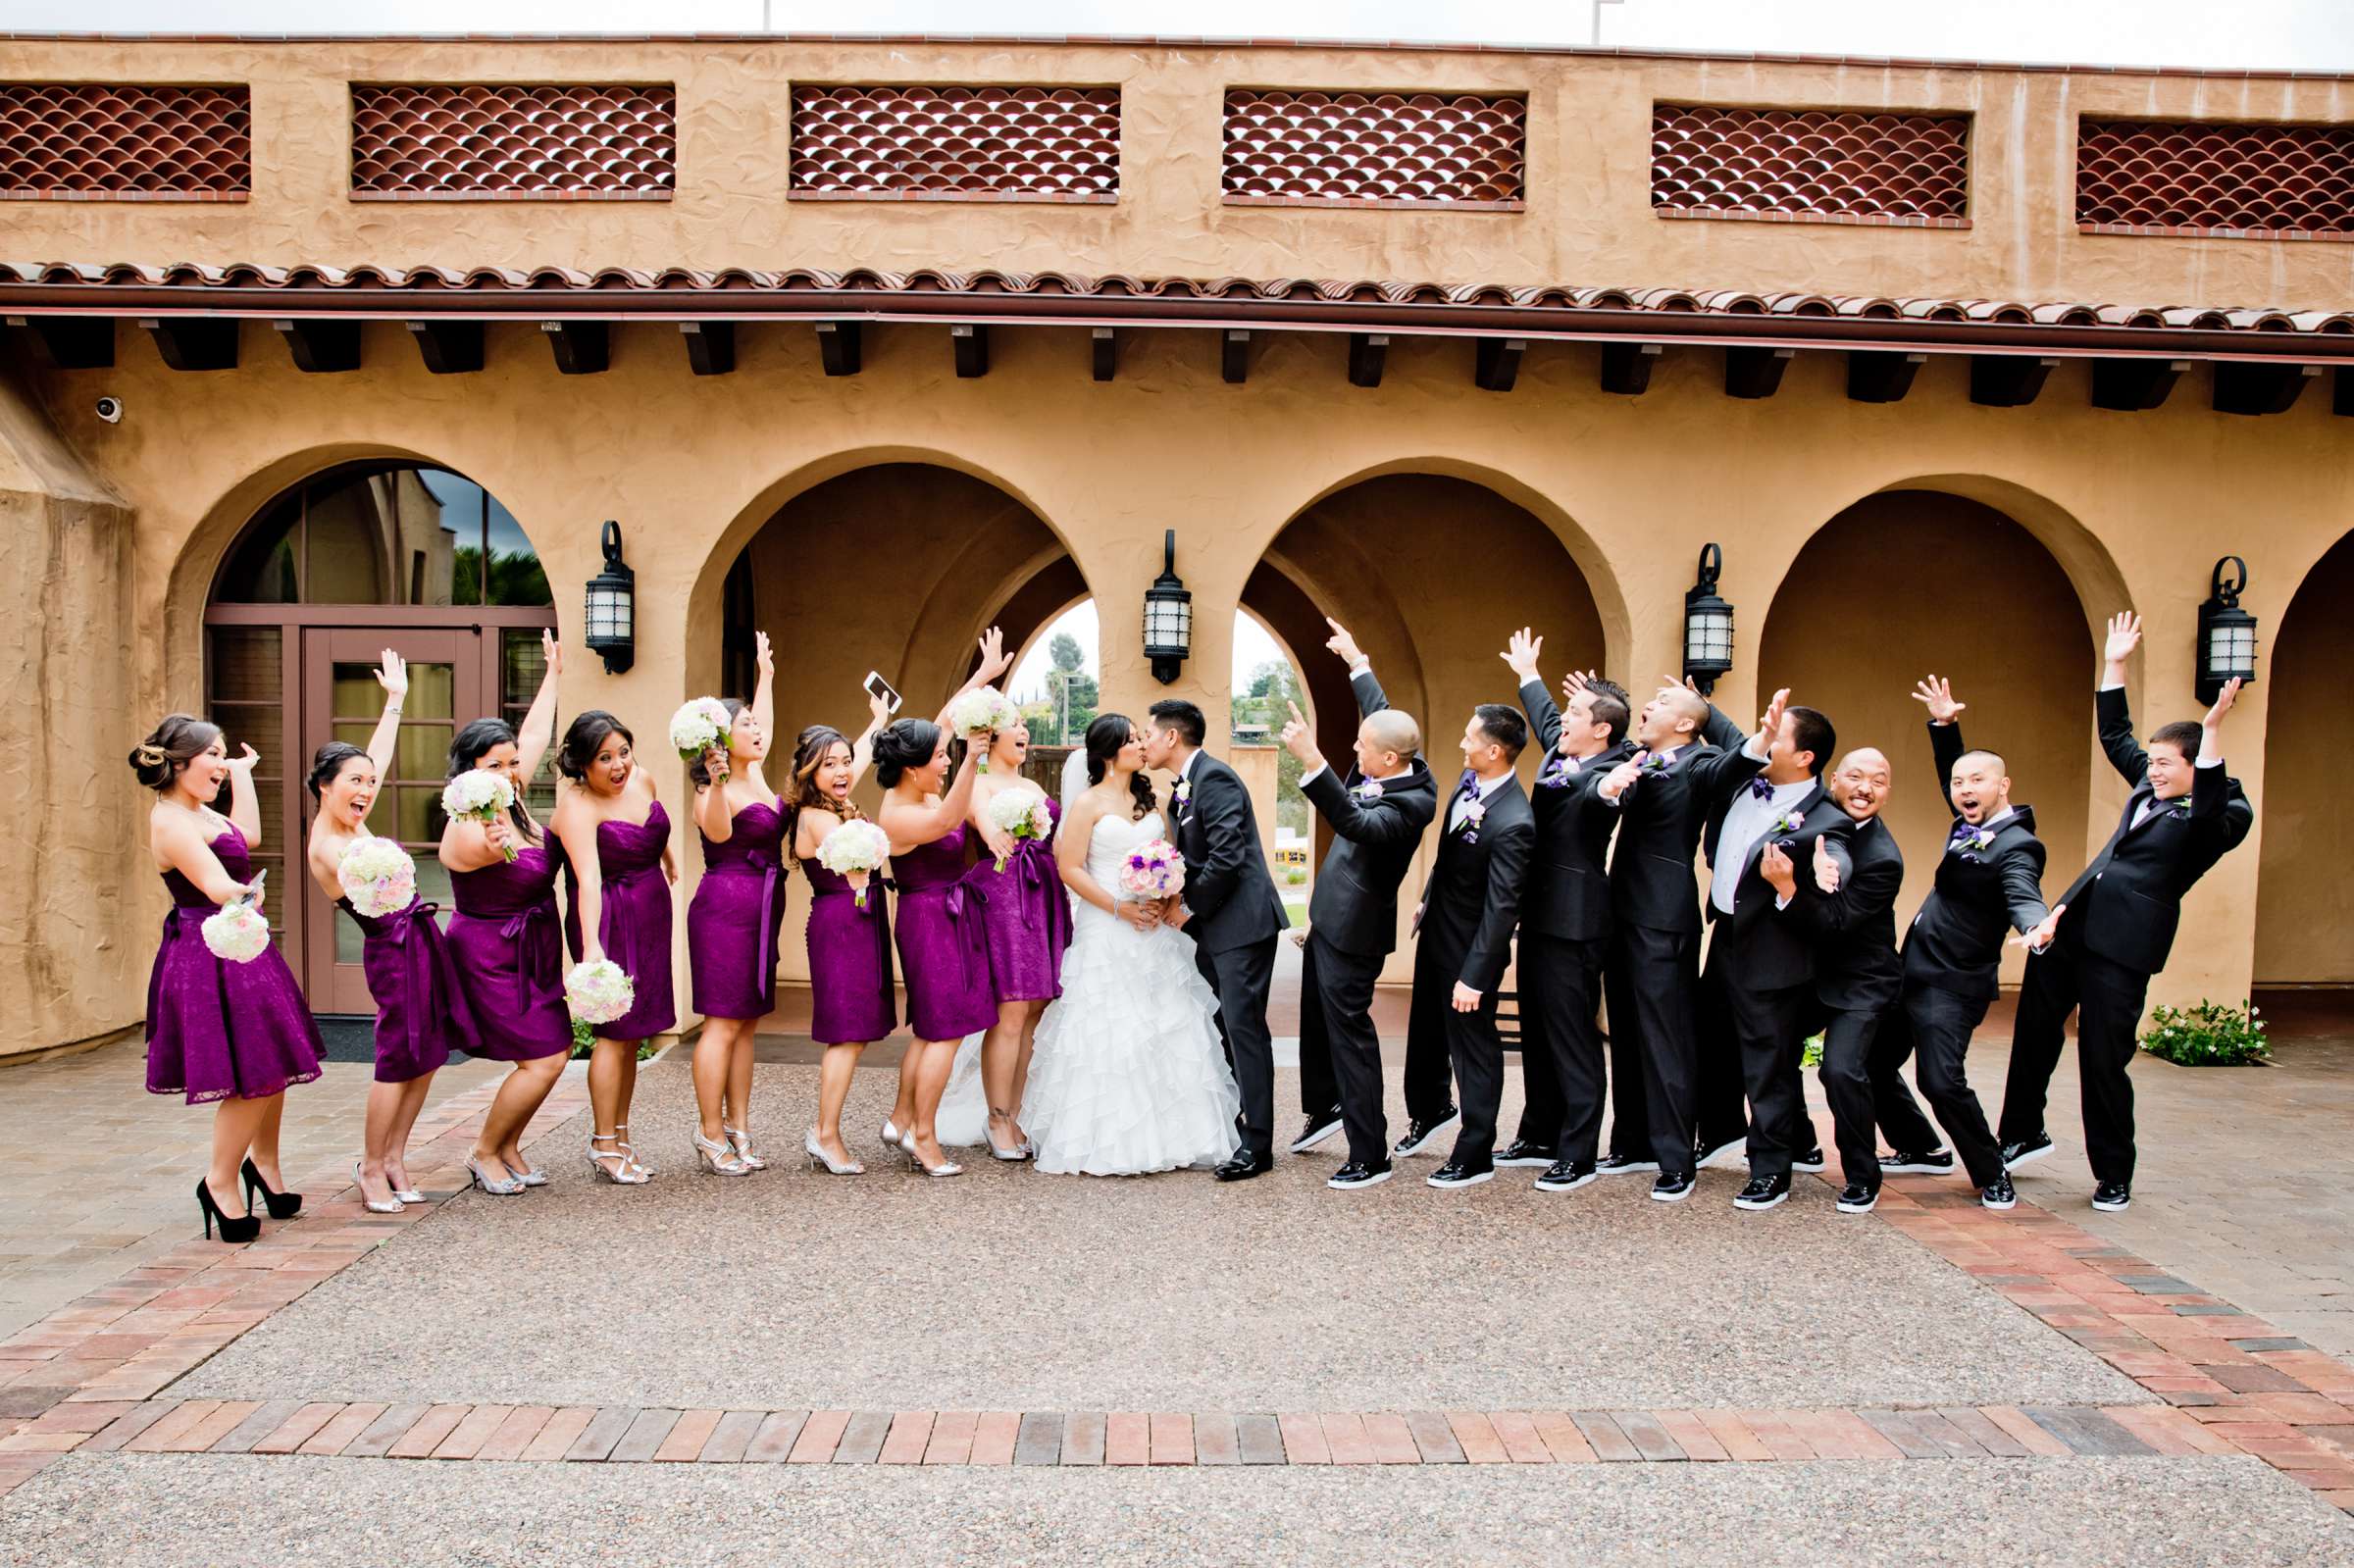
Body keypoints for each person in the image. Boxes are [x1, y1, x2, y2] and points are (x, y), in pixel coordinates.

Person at [1997, 613, 2254, 1213]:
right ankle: (2019, 1134)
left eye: (2166, 764)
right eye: (2154, 762)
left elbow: (2211, 810)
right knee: (2033, 1034)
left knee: (2102, 1058)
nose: (2153, 770)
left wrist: (2213, 730)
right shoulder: (2152, 785)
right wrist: (2115, 666)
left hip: (2124, 946)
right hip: (2070, 924)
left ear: (2196, 764)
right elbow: (2117, 737)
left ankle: (2113, 1173)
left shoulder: (2225, 809)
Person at [1019, 713, 1243, 1175]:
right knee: (1110, 1029)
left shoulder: (1152, 798)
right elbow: (1070, 868)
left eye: (1142, 737)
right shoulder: (1088, 804)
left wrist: (1168, 895)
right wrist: (1118, 908)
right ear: (1106, 752)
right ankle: (1109, 1139)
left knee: (1166, 1024)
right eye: (1131, 740)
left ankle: (1175, 1134)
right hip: (1109, 925)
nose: (1141, 745)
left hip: (1154, 927)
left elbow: (1171, 857)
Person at [133, 714, 324, 1242]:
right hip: (208, 952)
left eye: (222, 754)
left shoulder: (199, 812)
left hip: (241, 945)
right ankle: (218, 1181)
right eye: (212, 756)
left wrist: (242, 774)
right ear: (178, 764)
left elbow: (250, 837)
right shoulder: (170, 820)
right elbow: (219, 886)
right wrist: (248, 892)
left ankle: (263, 1166)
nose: (219, 764)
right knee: (252, 1071)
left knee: (273, 1059)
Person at [303, 651, 477, 1213]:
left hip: (421, 940)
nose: (366, 790)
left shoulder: (353, 819)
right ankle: (371, 1166)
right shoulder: (328, 845)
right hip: (390, 951)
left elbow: (372, 758)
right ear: (324, 787)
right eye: (354, 783)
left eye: (371, 783)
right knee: (396, 1059)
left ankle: (399, 1155)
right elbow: (372, 898)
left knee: (428, 1055)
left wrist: (396, 702)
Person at [1278, 622, 1439, 1191]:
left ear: (1389, 759)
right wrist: (1357, 661)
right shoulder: (1395, 759)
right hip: (1329, 919)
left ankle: (1370, 1154)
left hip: (1357, 932)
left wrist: (1313, 761)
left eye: (1361, 749)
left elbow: (1353, 821)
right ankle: (1325, 1109)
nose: (1354, 750)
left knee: (1350, 1036)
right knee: (1318, 1026)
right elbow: (1381, 715)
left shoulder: (1412, 803)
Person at [1594, 683, 1763, 1201]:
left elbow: (1739, 763)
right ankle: (1634, 1141)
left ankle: (1675, 1157)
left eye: (1662, 705)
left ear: (1688, 724)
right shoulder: (1639, 758)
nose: (1648, 708)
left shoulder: (1700, 762)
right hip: (1619, 910)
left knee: (1666, 1037)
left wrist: (1762, 737)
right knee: (1623, 1027)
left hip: (1663, 917)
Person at [1893, 674, 2050, 1211]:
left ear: (2003, 786)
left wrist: (2034, 925)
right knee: (1858, 1062)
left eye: (1976, 781)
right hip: (1909, 969)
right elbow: (1952, 776)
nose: (1964, 790)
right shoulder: (1968, 821)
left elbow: (2021, 893)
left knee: (1940, 1081)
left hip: (1951, 982)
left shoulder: (2017, 846)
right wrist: (1945, 726)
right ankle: (1918, 1145)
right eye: (1959, 783)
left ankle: (1991, 1169)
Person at [1694, 693, 1847, 1212]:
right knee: (1712, 1041)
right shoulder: (1749, 772)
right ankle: (1722, 1132)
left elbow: (1838, 855)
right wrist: (1700, 702)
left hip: (1773, 951)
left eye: (1778, 735)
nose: (1765, 740)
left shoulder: (1824, 818)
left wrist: (1823, 876)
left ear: (1804, 757)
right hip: (1726, 936)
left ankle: (1771, 1168)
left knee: (1768, 1062)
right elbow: (1731, 736)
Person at [873, 632, 1018, 1177]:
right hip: (931, 919)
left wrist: (982, 677)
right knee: (946, 1029)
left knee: (932, 1027)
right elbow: (947, 822)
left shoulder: (917, 784)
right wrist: (972, 763)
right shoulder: (903, 813)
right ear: (914, 768)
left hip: (949, 913)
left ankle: (901, 1117)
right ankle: (925, 1137)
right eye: (937, 758)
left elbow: (945, 722)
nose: (944, 759)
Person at [1500, 635, 1633, 1190]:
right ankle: (1539, 1132)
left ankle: (1577, 1152)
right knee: (1537, 1026)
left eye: (1578, 712)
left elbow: (1603, 790)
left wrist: (1605, 786)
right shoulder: (1562, 754)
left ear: (1602, 729)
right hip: (1538, 913)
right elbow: (1549, 726)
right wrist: (1529, 674)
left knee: (1572, 1033)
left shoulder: (1616, 765)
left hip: (1576, 919)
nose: (1566, 718)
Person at [439, 632, 570, 1197]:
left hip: (534, 946)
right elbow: (482, 853)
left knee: (553, 1050)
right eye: (497, 764)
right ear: (470, 770)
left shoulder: (509, 799)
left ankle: (510, 1144)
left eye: (514, 763)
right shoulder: (467, 824)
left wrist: (554, 674)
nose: (512, 772)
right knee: (543, 1056)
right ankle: (483, 1150)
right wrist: (495, 840)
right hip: (491, 953)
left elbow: (536, 733)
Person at [1142, 696, 1291, 1182]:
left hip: (1242, 926)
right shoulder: (1186, 786)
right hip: (1217, 927)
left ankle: (1259, 1145)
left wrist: (1187, 905)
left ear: (1171, 736)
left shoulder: (1216, 778)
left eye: (1149, 733)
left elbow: (1228, 857)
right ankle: (1235, 1125)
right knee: (1225, 1026)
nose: (1144, 741)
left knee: (1244, 1029)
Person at [1778, 746, 1924, 1215]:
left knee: (1841, 1070)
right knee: (1769, 1045)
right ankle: (1801, 1145)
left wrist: (1787, 888)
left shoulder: (1883, 858)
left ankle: (1862, 1176)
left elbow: (1837, 922)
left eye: (1878, 781)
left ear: (1887, 792)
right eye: (1857, 777)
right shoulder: (1809, 812)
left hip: (1863, 981)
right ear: (1834, 779)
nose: (1866, 788)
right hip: (1808, 974)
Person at [1413, 702, 1536, 1189]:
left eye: (1469, 737)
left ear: (1494, 750)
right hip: (1438, 936)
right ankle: (1431, 1114)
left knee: (1475, 1052)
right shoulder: (1469, 786)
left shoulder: (1515, 821)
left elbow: (1502, 908)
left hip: (1470, 953)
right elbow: (1447, 860)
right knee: (1431, 1036)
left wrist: (1476, 975)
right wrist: (1427, 902)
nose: (1461, 743)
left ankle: (1475, 1152)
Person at [555, 711, 678, 1184]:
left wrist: (664, 856)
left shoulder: (642, 779)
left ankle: (621, 1136)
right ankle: (603, 1143)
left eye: (623, 752)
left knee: (636, 1034)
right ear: (583, 764)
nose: (618, 765)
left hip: (650, 911)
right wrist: (591, 950)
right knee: (613, 1033)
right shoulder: (577, 807)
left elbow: (654, 822)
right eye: (604, 758)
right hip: (608, 918)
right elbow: (586, 881)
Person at [686, 632, 786, 1177]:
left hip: (763, 907)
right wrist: (719, 780)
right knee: (721, 1023)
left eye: (753, 722)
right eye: (743, 723)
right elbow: (720, 834)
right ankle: (708, 1131)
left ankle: (739, 1126)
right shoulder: (713, 790)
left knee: (747, 1024)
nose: (755, 729)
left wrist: (766, 677)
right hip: (724, 906)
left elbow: (763, 726)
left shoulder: (759, 775)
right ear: (720, 740)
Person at [955, 710, 1073, 1160]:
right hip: (1004, 896)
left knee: (1035, 1009)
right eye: (1015, 726)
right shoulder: (976, 784)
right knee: (1012, 1007)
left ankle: (1017, 1113)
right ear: (990, 736)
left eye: (1026, 725)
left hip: (1042, 893)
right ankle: (996, 1117)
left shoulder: (1034, 788)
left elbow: (1058, 842)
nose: (1024, 732)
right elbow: (984, 832)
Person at [785, 704, 895, 1175]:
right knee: (847, 1037)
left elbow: (862, 757)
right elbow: (857, 863)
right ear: (811, 772)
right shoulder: (816, 817)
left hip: (860, 919)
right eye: (828, 764)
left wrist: (877, 720)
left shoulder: (837, 804)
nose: (843, 769)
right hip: (839, 925)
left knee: (858, 1035)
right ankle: (825, 1134)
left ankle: (825, 1131)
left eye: (844, 760)